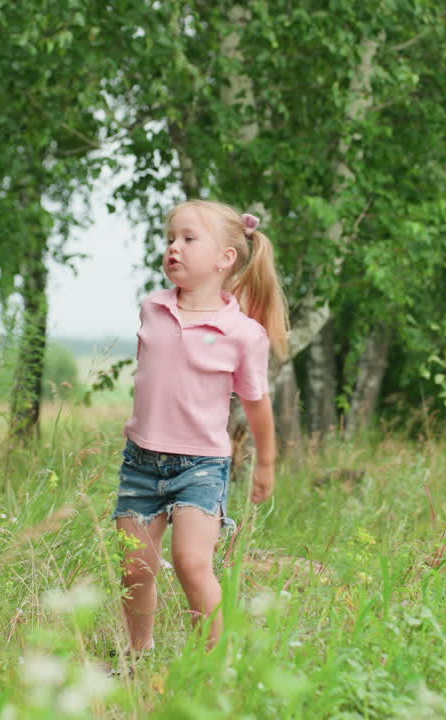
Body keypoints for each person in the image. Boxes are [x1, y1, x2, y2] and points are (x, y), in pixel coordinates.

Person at [112, 199, 290, 657]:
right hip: (141, 462)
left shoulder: (243, 334)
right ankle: (137, 656)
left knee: (192, 563)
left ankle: (212, 668)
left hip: (202, 466)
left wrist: (266, 464)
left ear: (225, 258)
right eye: (171, 238)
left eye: (189, 239)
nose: (175, 247)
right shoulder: (152, 308)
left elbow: (257, 403)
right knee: (135, 568)